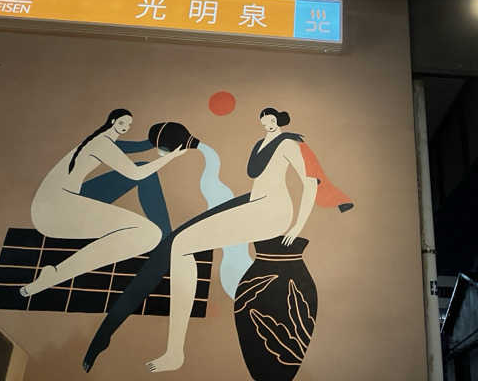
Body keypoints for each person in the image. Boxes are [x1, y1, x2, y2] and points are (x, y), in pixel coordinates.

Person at [82, 107, 318, 373]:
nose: (268, 124)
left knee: (177, 246)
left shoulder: (289, 144)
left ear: (278, 120)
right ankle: (131, 338)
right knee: (173, 244)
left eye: (271, 120)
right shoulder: (261, 143)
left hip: (272, 213)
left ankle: (169, 350)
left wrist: (297, 226)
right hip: (255, 202)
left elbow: (311, 182)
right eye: (264, 121)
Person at [19, 108, 187, 298]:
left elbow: (133, 147)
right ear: (113, 120)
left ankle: (168, 241)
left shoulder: (100, 140)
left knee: (144, 173)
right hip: (56, 211)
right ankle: (55, 275)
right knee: (149, 233)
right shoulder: (102, 144)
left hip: (55, 203)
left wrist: (159, 139)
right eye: (122, 123)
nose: (125, 128)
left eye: (129, 125)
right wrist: (172, 156)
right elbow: (135, 174)